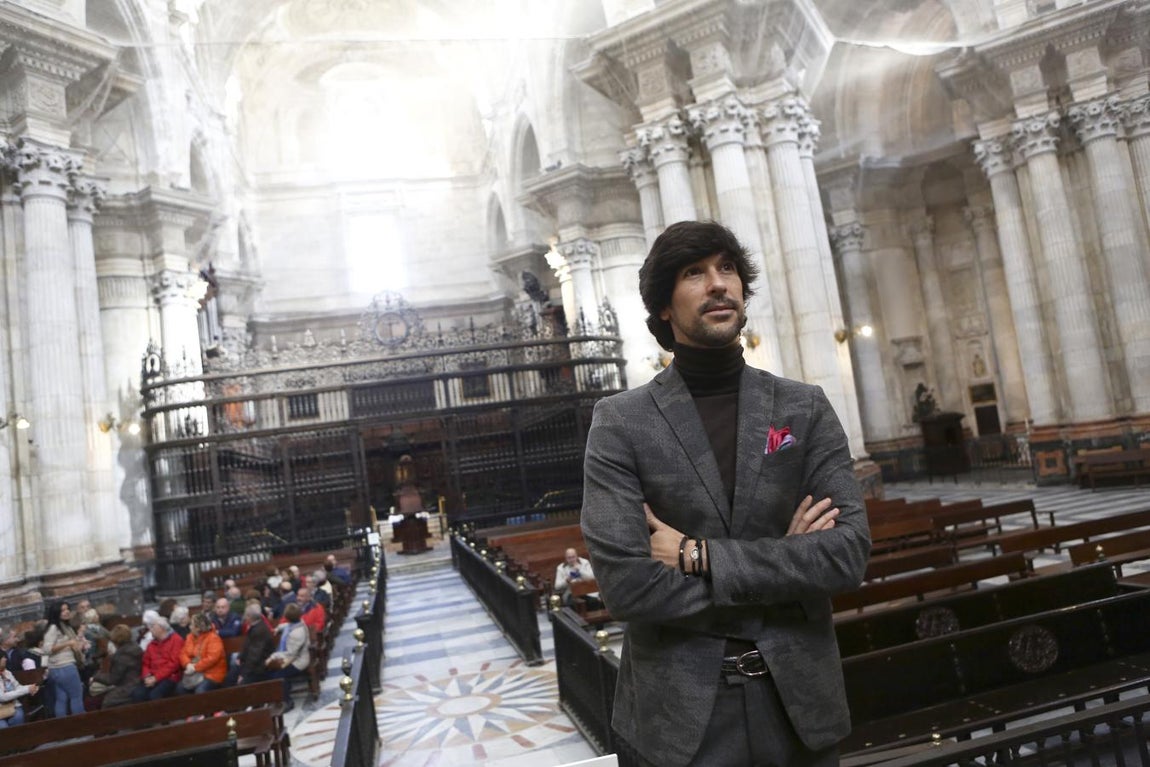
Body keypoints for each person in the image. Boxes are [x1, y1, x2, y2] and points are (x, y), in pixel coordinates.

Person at [580, 221, 871, 767]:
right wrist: (785, 571)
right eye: (695, 272)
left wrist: (699, 556)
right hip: (679, 718)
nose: (718, 284)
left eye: (727, 268)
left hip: (800, 708)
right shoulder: (621, 423)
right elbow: (627, 587)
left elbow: (846, 554)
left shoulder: (802, 408)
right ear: (664, 306)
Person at [41, 602, 87, 717]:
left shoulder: (65, 626)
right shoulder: (53, 627)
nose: (66, 612)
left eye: (67, 609)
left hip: (59, 667)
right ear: (56, 613)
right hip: (64, 666)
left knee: (62, 698)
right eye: (62, 610)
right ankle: (82, 727)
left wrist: (80, 635)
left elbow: (73, 644)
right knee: (76, 696)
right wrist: (68, 643)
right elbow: (46, 649)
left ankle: (63, 728)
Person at [266, 603, 309, 711]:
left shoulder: (296, 634)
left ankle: (287, 701)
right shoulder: (296, 623)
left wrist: (273, 656)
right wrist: (277, 628)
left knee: (278, 675)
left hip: (298, 661)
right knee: (271, 672)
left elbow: (290, 654)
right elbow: (286, 626)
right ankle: (280, 696)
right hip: (291, 657)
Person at [89, 624, 141, 709]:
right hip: (136, 683)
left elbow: (113, 679)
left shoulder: (121, 656)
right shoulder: (136, 648)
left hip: (127, 687)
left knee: (108, 702)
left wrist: (96, 676)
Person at [132, 616, 184, 701]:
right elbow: (145, 663)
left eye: (153, 626)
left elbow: (174, 664)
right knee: (137, 694)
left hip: (169, 677)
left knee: (155, 695)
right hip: (152, 677)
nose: (150, 629)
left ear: (161, 628)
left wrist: (156, 678)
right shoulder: (151, 644)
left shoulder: (176, 640)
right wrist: (147, 676)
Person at [177, 613, 226, 695]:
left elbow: (212, 658)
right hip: (194, 672)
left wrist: (195, 667)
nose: (189, 627)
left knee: (200, 691)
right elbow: (183, 653)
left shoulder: (213, 638)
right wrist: (187, 664)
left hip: (212, 674)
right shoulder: (189, 637)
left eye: (191, 625)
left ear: (198, 628)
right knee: (179, 689)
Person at [228, 603, 275, 687]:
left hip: (260, 667)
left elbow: (254, 656)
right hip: (251, 663)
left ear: (249, 617)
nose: (244, 617)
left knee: (239, 684)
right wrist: (240, 657)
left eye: (245, 615)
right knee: (231, 675)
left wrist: (243, 674)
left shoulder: (259, 631)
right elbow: (247, 645)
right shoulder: (255, 626)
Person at [0, 652, 38, 727]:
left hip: (12, 705)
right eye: (3, 658)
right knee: (3, 726)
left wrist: (31, 688)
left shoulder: (7, 673)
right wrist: (26, 690)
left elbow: (17, 687)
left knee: (18, 716)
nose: (5, 659)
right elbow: (2, 697)